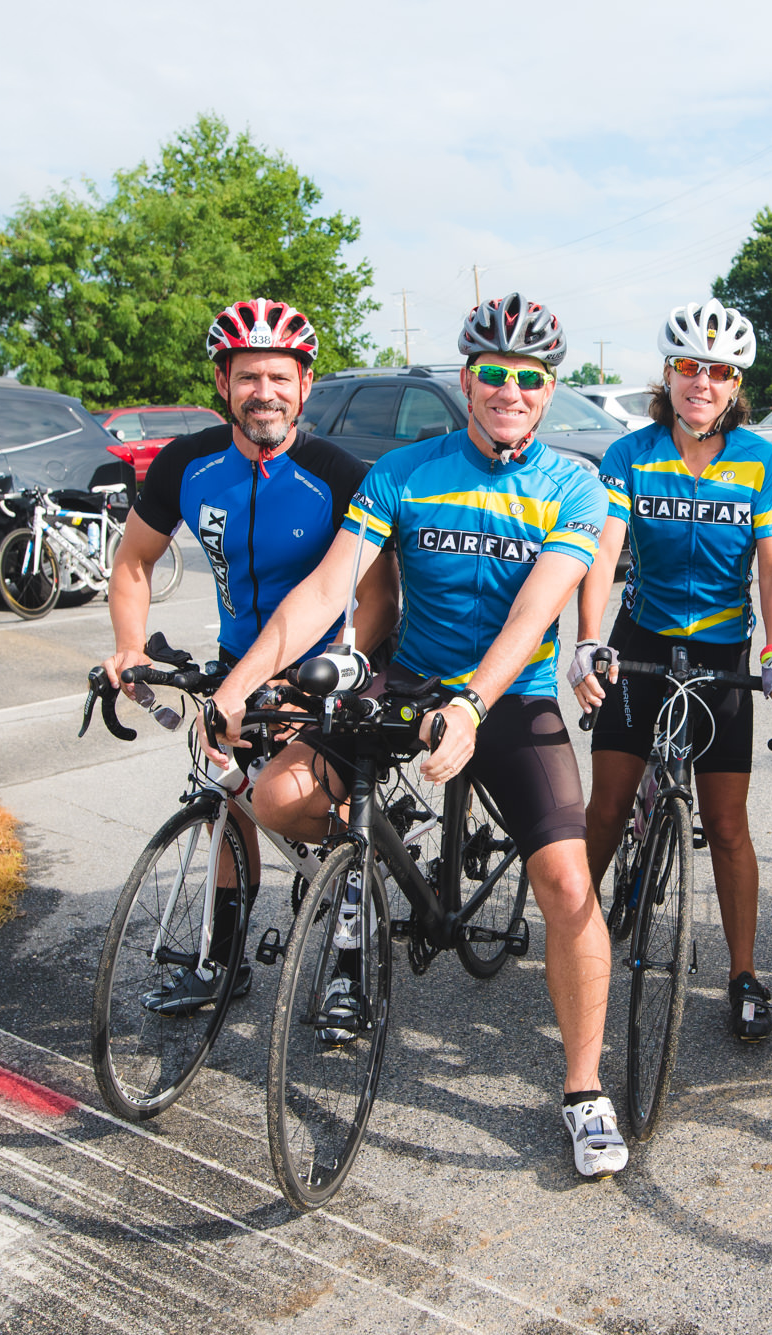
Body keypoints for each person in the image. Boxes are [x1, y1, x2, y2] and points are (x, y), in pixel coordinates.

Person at [207, 293, 630, 1179]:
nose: (510, 390)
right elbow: (329, 589)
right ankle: (376, 858)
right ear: (467, 379)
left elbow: (535, 609)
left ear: (549, 389)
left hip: (506, 695)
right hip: (408, 679)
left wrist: (476, 704)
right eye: (494, 374)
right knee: (278, 794)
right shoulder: (403, 472)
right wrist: (239, 686)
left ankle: (585, 1088)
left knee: (565, 877)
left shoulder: (573, 484)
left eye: (530, 377)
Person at [101, 298, 396, 1013]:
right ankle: (223, 961)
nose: (263, 391)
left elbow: (378, 597)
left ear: (304, 383)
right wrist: (130, 645)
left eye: (279, 376)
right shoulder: (188, 465)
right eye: (247, 376)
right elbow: (135, 560)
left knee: (289, 800)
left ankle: (353, 922)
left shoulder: (336, 472)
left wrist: (318, 677)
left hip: (330, 668)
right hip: (241, 663)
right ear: (222, 382)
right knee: (227, 793)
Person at [569, 299, 772, 1042]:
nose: (701, 381)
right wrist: (585, 637)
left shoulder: (760, 460)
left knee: (727, 822)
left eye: (718, 371)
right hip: (639, 640)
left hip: (723, 651)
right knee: (606, 806)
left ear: (736, 386)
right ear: (666, 375)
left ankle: (742, 972)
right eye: (688, 367)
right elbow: (605, 551)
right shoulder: (629, 453)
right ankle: (574, 930)